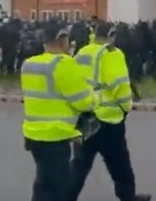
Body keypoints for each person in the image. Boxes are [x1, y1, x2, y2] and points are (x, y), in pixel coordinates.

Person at [68, 23, 151, 201]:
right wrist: (126, 106)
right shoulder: (111, 54)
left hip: (85, 116)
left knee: (79, 164)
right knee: (120, 164)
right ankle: (127, 196)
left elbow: (73, 80)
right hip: (109, 120)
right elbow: (119, 84)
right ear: (111, 35)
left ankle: (66, 196)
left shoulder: (83, 52)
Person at [21, 21, 98, 201]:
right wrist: (96, 98)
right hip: (56, 136)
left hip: (33, 134)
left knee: (43, 183)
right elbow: (83, 102)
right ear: (62, 40)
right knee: (58, 189)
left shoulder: (28, 64)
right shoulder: (64, 64)